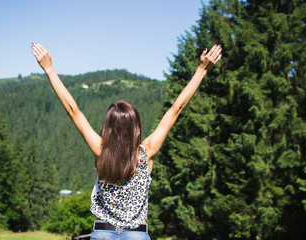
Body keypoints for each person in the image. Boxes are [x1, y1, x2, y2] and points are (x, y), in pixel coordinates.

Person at [32, 43, 222, 240]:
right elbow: (176, 109)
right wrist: (201, 70)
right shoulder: (147, 152)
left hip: (103, 233)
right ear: (136, 127)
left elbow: (73, 111)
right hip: (136, 235)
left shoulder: (100, 150)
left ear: (107, 126)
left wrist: (49, 68)